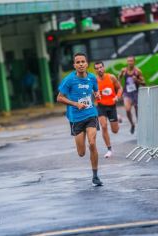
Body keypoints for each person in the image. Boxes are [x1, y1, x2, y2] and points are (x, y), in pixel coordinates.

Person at [57, 52, 103, 186]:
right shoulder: (69, 80)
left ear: (87, 64)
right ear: (74, 65)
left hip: (90, 114)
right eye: (78, 62)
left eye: (83, 61)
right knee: (81, 153)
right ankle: (83, 149)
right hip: (76, 117)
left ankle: (95, 176)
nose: (81, 64)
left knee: (93, 143)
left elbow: (95, 91)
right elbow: (59, 97)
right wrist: (75, 104)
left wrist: (97, 95)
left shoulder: (92, 78)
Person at [94, 61, 123, 158]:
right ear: (95, 70)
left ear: (104, 68)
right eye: (97, 68)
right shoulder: (94, 81)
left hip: (111, 105)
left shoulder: (111, 77)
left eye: (100, 67)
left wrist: (117, 97)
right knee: (104, 126)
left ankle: (117, 118)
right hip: (101, 106)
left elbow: (119, 88)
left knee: (115, 130)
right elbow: (91, 92)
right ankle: (109, 149)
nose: (99, 70)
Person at [118, 56, 145, 134]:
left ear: (134, 62)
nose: (130, 62)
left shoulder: (137, 71)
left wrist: (137, 80)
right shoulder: (124, 70)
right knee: (127, 109)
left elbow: (144, 83)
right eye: (128, 61)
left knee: (137, 110)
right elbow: (119, 78)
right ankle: (132, 124)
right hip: (127, 93)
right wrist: (119, 87)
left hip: (136, 93)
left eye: (131, 61)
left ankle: (140, 126)